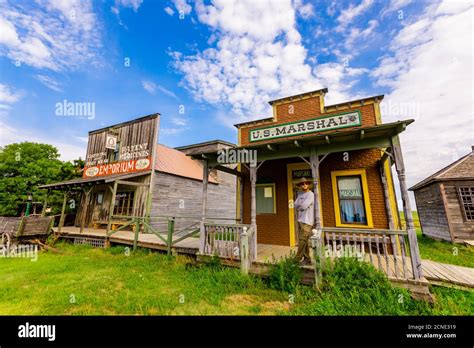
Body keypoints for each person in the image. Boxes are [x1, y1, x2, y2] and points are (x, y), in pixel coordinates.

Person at [294, 177, 314, 265]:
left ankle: (296, 259)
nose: (304, 185)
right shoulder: (300, 194)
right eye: (302, 184)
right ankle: (307, 258)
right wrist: (300, 206)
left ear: (308, 184)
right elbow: (295, 205)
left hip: (308, 220)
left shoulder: (311, 194)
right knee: (303, 240)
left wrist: (300, 206)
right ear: (300, 185)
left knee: (302, 240)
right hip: (300, 220)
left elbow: (304, 206)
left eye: (306, 183)